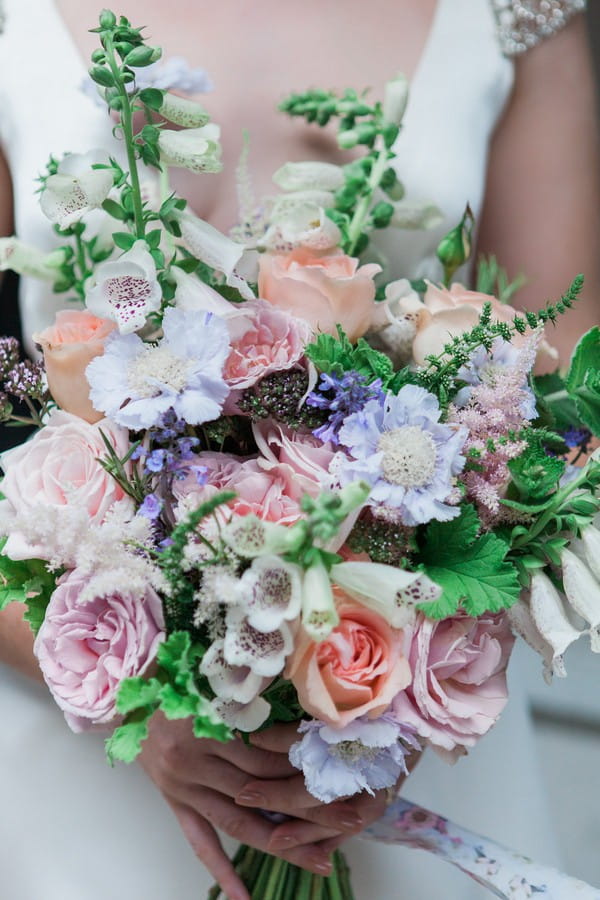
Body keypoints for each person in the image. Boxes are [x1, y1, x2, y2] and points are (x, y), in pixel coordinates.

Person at [0, 1, 598, 898]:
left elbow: (567, 402)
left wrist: (392, 688)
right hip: (85, 740)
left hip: (412, 724)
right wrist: (137, 693)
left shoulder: (521, 12)